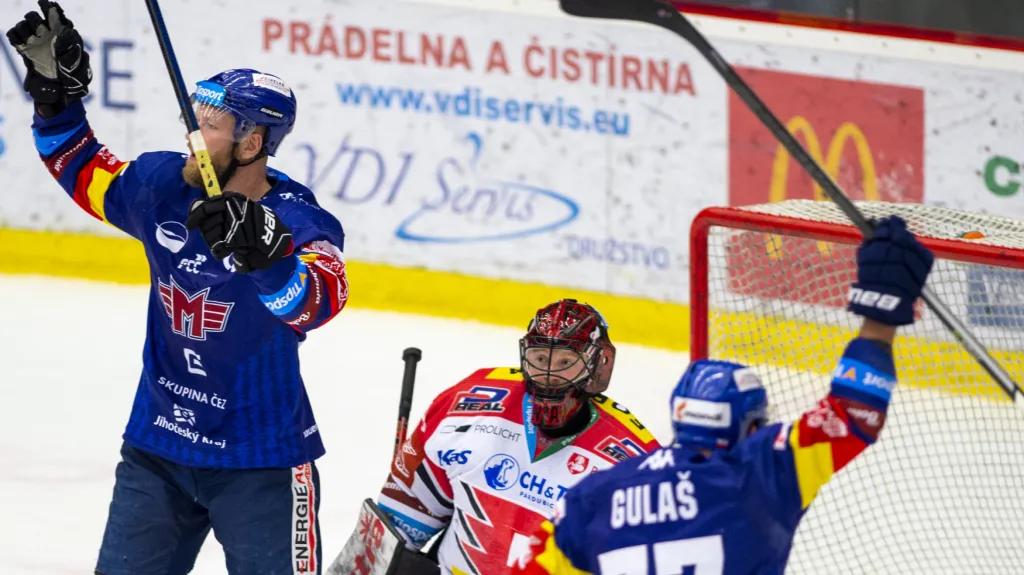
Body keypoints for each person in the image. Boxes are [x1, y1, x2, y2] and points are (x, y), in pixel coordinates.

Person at [8, 2, 349, 573]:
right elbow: (82, 168)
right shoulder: (164, 184)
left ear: (251, 143)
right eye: (195, 118)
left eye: (210, 126)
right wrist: (55, 101)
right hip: (158, 450)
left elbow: (319, 302)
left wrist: (269, 261)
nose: (192, 135)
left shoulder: (296, 219)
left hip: (261, 462)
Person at [515, 216, 934, 574]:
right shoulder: (763, 473)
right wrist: (879, 318)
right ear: (750, 426)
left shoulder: (593, 495)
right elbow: (853, 413)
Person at [333, 299, 661, 575]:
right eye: (540, 359)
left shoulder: (634, 463)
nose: (549, 376)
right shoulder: (466, 406)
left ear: (596, 366)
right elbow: (403, 518)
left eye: (566, 362)